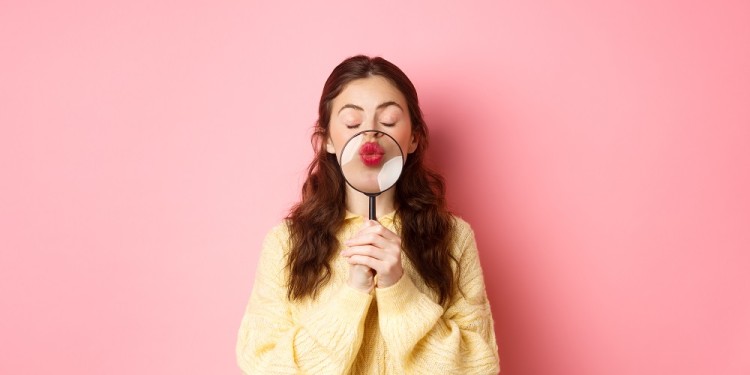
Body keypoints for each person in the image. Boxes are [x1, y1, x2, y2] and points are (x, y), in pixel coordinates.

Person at [236, 55, 500, 374]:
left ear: (414, 137)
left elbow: (478, 367)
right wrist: (353, 293)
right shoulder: (285, 244)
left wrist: (398, 288)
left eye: (388, 121)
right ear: (327, 141)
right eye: (352, 123)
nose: (370, 134)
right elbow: (262, 365)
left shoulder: (452, 237)